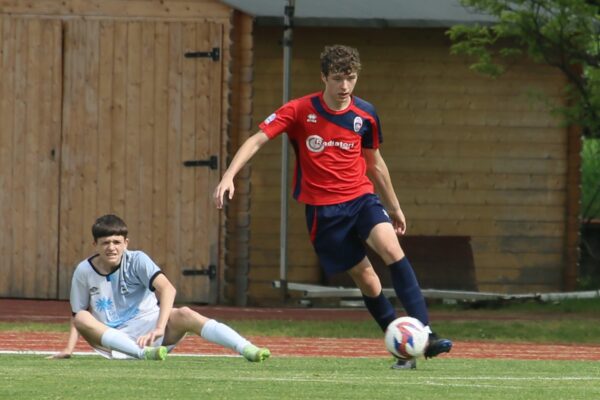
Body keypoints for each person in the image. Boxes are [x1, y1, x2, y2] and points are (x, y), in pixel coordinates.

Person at [213, 44, 451, 369]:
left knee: (392, 251)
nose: (344, 87)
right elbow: (257, 139)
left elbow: (376, 163)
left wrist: (394, 207)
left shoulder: (365, 114)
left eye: (350, 78)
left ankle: (426, 333)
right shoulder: (299, 110)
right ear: (323, 77)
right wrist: (229, 175)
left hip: (361, 200)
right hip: (323, 213)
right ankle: (402, 350)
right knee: (368, 281)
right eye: (338, 78)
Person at [49, 214, 270, 362]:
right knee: (82, 318)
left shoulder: (138, 260)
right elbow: (76, 314)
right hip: (111, 341)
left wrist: (159, 328)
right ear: (94, 245)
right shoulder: (83, 271)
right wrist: (69, 349)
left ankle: (247, 349)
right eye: (105, 242)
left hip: (152, 333)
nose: (111, 247)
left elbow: (167, 289)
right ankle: (143, 354)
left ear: (126, 243)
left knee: (184, 313)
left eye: (117, 242)